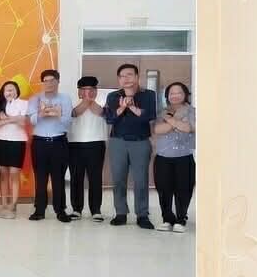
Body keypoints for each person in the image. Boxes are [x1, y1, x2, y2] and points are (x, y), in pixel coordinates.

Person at [104, 63, 159, 230]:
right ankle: (121, 213)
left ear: (137, 76)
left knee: (141, 180)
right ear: (118, 80)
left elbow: (150, 116)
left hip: (140, 142)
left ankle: (142, 214)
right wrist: (122, 107)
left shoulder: (148, 95)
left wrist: (132, 107)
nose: (126, 79)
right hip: (118, 142)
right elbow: (109, 119)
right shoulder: (113, 96)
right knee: (118, 179)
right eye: (122, 76)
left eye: (129, 75)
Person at [28, 69, 74, 223]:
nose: (49, 84)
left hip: (59, 142)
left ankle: (60, 210)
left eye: (52, 80)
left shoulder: (65, 99)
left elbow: (68, 122)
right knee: (40, 177)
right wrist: (41, 113)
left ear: (58, 81)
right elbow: (31, 121)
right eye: (45, 81)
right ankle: (39, 210)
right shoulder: (35, 99)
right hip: (39, 143)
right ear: (42, 83)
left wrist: (58, 114)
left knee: (58, 177)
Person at [152, 81, 196, 232]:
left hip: (183, 156)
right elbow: (157, 130)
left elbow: (188, 128)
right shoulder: (162, 112)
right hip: (163, 156)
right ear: (167, 96)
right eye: (172, 93)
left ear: (185, 94)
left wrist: (170, 120)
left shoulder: (191, 111)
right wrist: (177, 123)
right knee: (164, 189)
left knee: (184, 189)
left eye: (179, 92)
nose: (175, 95)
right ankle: (167, 219)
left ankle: (181, 219)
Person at [68, 76, 107, 222]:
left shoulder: (103, 101)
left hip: (96, 143)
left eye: (91, 89)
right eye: (84, 90)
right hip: (75, 143)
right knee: (76, 177)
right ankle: (76, 209)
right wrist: (86, 101)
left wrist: (90, 101)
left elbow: (100, 112)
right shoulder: (71, 101)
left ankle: (96, 210)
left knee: (95, 177)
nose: (88, 92)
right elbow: (75, 113)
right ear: (79, 91)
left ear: (96, 91)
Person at [0, 80, 29, 219]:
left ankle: (13, 204)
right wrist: (13, 119)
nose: (9, 92)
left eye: (12, 89)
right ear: (3, 92)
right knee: (3, 173)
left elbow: (23, 122)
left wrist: (6, 119)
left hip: (17, 141)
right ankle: (4, 204)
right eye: (6, 90)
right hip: (0, 140)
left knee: (14, 173)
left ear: (17, 91)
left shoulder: (24, 103)